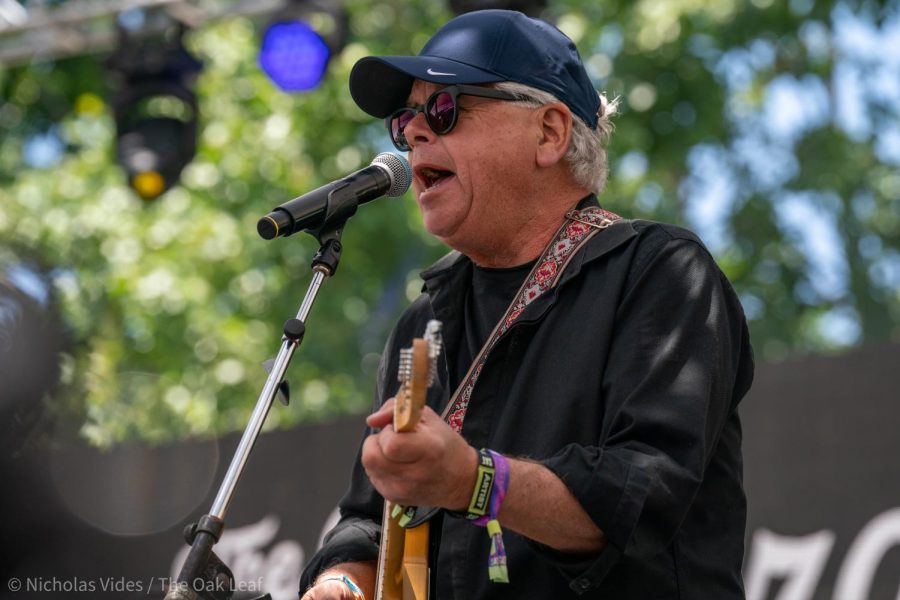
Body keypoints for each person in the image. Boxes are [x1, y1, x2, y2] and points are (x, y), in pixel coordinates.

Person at [299, 9, 753, 600]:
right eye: (405, 120)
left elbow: (637, 500)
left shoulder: (660, 273)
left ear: (549, 133)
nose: (414, 134)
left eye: (444, 109)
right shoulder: (425, 321)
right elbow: (369, 516)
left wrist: (474, 481)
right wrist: (343, 582)